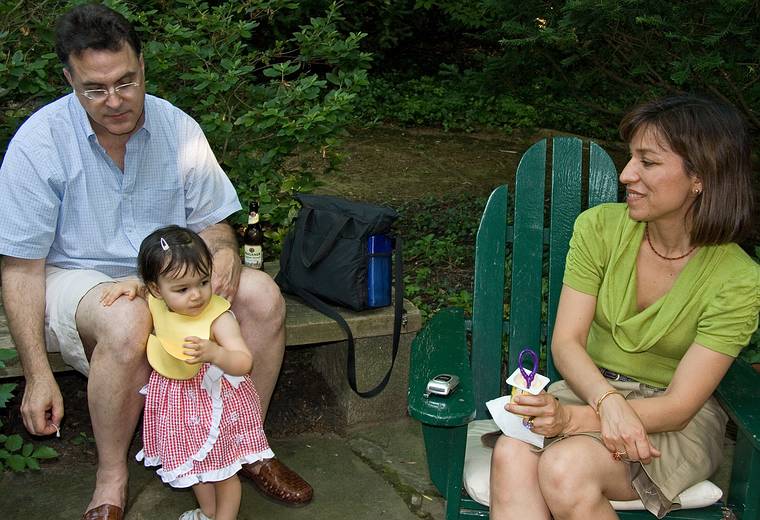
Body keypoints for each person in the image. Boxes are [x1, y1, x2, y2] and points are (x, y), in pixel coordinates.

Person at [0, 4, 312, 519]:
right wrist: (37, 373)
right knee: (128, 318)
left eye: (126, 82)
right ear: (68, 79)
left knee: (262, 295)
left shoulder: (176, 127)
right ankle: (111, 477)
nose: (115, 100)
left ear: (143, 66)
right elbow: (22, 268)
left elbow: (213, 224)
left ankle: (245, 446)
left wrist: (227, 250)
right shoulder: (40, 143)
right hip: (77, 277)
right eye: (94, 89)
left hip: (168, 272)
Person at [489, 94, 760, 519]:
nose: (626, 174)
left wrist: (572, 421)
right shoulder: (599, 229)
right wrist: (606, 402)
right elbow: (568, 342)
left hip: (671, 423)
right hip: (585, 389)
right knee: (510, 453)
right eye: (630, 158)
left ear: (701, 177)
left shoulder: (738, 280)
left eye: (647, 162)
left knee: (565, 468)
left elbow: (681, 406)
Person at [101, 226, 275, 520]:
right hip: (181, 407)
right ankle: (208, 513)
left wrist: (216, 354)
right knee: (196, 468)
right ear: (158, 289)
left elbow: (244, 361)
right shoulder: (158, 301)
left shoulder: (218, 317)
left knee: (224, 471)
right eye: (182, 289)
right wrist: (133, 286)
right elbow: (145, 289)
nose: (196, 295)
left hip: (216, 407)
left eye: (203, 282)